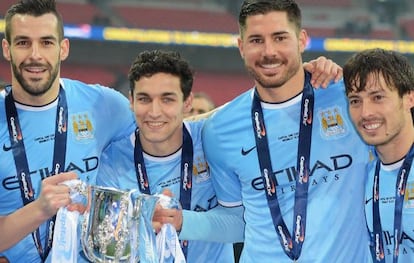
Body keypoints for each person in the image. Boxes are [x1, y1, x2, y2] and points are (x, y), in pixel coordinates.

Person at [96, 48, 344, 263]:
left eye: (167, 99)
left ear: (187, 102)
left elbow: (244, 223)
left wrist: (304, 76)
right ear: (131, 101)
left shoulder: (215, 140)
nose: (154, 111)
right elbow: (105, 243)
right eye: (144, 99)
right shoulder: (110, 162)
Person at [202, 0, 371, 262]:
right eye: (256, 40)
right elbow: (235, 220)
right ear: (241, 46)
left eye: (280, 38)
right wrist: (180, 221)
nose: (269, 52)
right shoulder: (218, 130)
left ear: (302, 40)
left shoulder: (348, 97)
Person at [0, 0, 135, 262]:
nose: (35, 55)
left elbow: (164, 130)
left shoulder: (105, 105)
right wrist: (39, 209)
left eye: (47, 42)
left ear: (64, 48)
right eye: (23, 42)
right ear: (7, 49)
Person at [343, 48, 414, 262]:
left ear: (409, 98)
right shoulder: (357, 174)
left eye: (378, 97)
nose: (366, 113)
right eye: (355, 100)